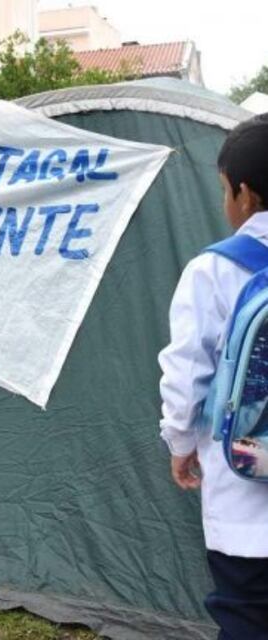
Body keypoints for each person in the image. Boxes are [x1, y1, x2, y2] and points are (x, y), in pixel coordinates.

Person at [158, 114, 268, 638]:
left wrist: (180, 443)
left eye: (225, 190)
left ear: (244, 194)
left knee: (244, 612)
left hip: (246, 488)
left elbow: (187, 373)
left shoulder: (216, 270)